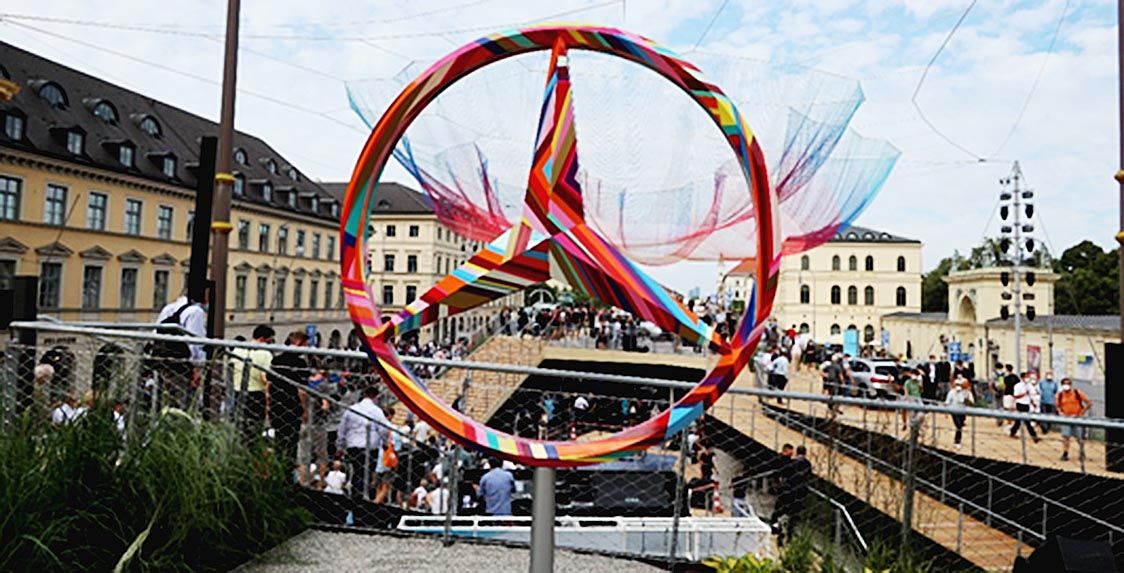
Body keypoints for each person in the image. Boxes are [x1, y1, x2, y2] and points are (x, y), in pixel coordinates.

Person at [154, 290, 208, 409]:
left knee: (165, 402)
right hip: (183, 367)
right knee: (183, 404)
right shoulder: (196, 311)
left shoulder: (168, 308)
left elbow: (155, 333)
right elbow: (195, 343)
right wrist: (198, 368)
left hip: (164, 364)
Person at [336, 386, 390, 500]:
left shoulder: (351, 409)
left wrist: (340, 446)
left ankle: (354, 493)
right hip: (370, 447)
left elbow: (342, 429)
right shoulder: (376, 411)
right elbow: (384, 429)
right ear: (376, 397)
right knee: (366, 473)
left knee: (356, 471)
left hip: (353, 446)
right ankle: (361, 496)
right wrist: (385, 443)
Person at [271, 331, 311, 478]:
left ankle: (277, 471)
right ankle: (287, 475)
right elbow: (302, 390)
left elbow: (269, 384)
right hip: (292, 407)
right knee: (291, 443)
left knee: (279, 441)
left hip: (277, 405)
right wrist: (305, 409)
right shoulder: (300, 364)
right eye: (305, 344)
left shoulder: (276, 360)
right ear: (298, 343)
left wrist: (269, 405)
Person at [230, 325, 275, 439]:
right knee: (254, 428)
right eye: (270, 341)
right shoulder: (265, 354)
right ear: (263, 339)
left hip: (238, 392)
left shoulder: (238, 350)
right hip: (256, 394)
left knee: (239, 426)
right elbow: (265, 377)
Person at [770, 445, 811, 546]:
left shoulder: (792, 463)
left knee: (778, 513)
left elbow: (784, 472)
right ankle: (789, 537)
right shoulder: (808, 464)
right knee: (793, 516)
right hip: (799, 494)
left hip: (787, 491)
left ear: (797, 452)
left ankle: (777, 532)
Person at [1056, 378, 1092, 461]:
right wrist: (1060, 412)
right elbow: (1058, 406)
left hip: (1077, 418)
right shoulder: (1060, 395)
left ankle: (1081, 452)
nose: (1066, 385)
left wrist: (1082, 412)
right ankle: (1065, 453)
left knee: (1079, 437)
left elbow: (1089, 403)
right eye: (1064, 384)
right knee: (1066, 437)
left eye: (1068, 384)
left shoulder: (1077, 393)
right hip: (1066, 418)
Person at [1009, 373, 1041, 443]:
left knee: (1018, 421)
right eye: (1026, 377)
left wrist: (1033, 403)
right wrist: (1024, 394)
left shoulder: (1029, 385)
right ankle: (1034, 436)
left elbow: (1030, 395)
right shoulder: (1017, 386)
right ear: (1022, 378)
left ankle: (1012, 432)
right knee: (1027, 421)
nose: (1027, 378)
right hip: (1020, 404)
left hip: (1027, 404)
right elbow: (1016, 396)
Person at [944, 376, 974, 450]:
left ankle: (957, 440)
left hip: (962, 411)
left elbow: (971, 402)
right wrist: (946, 412)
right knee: (959, 426)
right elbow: (947, 402)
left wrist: (967, 399)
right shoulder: (951, 392)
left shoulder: (967, 393)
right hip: (954, 411)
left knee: (960, 425)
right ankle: (957, 441)